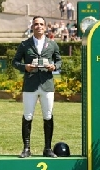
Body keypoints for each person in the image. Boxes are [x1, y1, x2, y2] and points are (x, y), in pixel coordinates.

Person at [12, 16, 62, 158]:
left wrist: (54, 66)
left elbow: (59, 61)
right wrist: (25, 67)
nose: (39, 26)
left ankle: (47, 148)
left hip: (47, 84)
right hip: (30, 84)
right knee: (28, 116)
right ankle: (26, 148)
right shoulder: (25, 44)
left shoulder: (52, 44)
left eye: (41, 24)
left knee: (48, 115)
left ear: (45, 27)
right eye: (36, 24)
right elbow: (15, 62)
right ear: (32, 27)